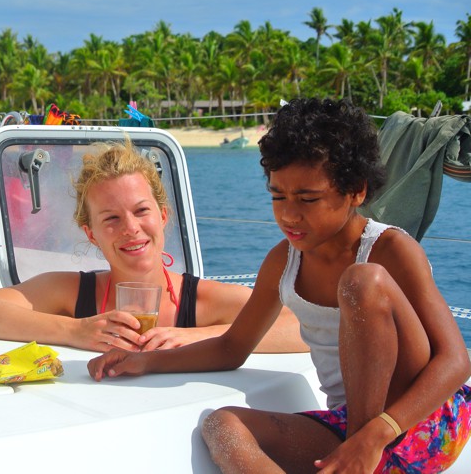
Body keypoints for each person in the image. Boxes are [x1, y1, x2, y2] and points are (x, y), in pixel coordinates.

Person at [88, 98, 471, 472]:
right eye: (278, 196)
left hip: (421, 424)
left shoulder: (389, 249)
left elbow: (455, 360)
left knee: (361, 281)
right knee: (222, 427)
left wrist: (375, 435)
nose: (289, 214)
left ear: (356, 191)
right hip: (348, 428)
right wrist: (146, 361)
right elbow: (232, 347)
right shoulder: (284, 262)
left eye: (307, 199)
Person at [0, 137, 306, 354]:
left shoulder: (201, 301)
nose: (131, 229)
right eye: (111, 218)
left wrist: (198, 337)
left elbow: (302, 328)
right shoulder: (72, 292)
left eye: (141, 211)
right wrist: (76, 331)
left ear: (162, 215)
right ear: (91, 234)